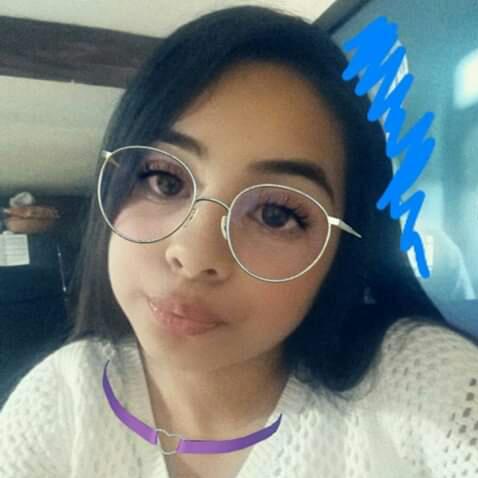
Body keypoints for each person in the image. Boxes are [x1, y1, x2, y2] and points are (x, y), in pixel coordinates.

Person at [1, 5, 477, 478]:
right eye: (165, 181)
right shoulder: (61, 402)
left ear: (343, 253)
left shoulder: (424, 385)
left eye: (275, 215)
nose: (193, 256)